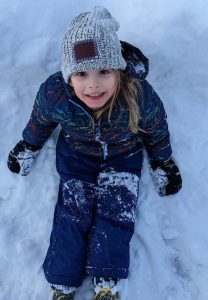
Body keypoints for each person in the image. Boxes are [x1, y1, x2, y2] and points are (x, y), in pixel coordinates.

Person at [7, 6, 182, 300]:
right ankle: (62, 284)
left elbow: (155, 127)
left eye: (104, 72)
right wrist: (29, 144)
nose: (93, 84)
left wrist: (162, 159)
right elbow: (40, 120)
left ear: (118, 71)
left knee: (116, 212)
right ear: (68, 75)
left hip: (123, 158)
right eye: (82, 73)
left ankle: (106, 282)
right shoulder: (55, 94)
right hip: (76, 158)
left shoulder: (137, 94)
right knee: (72, 213)